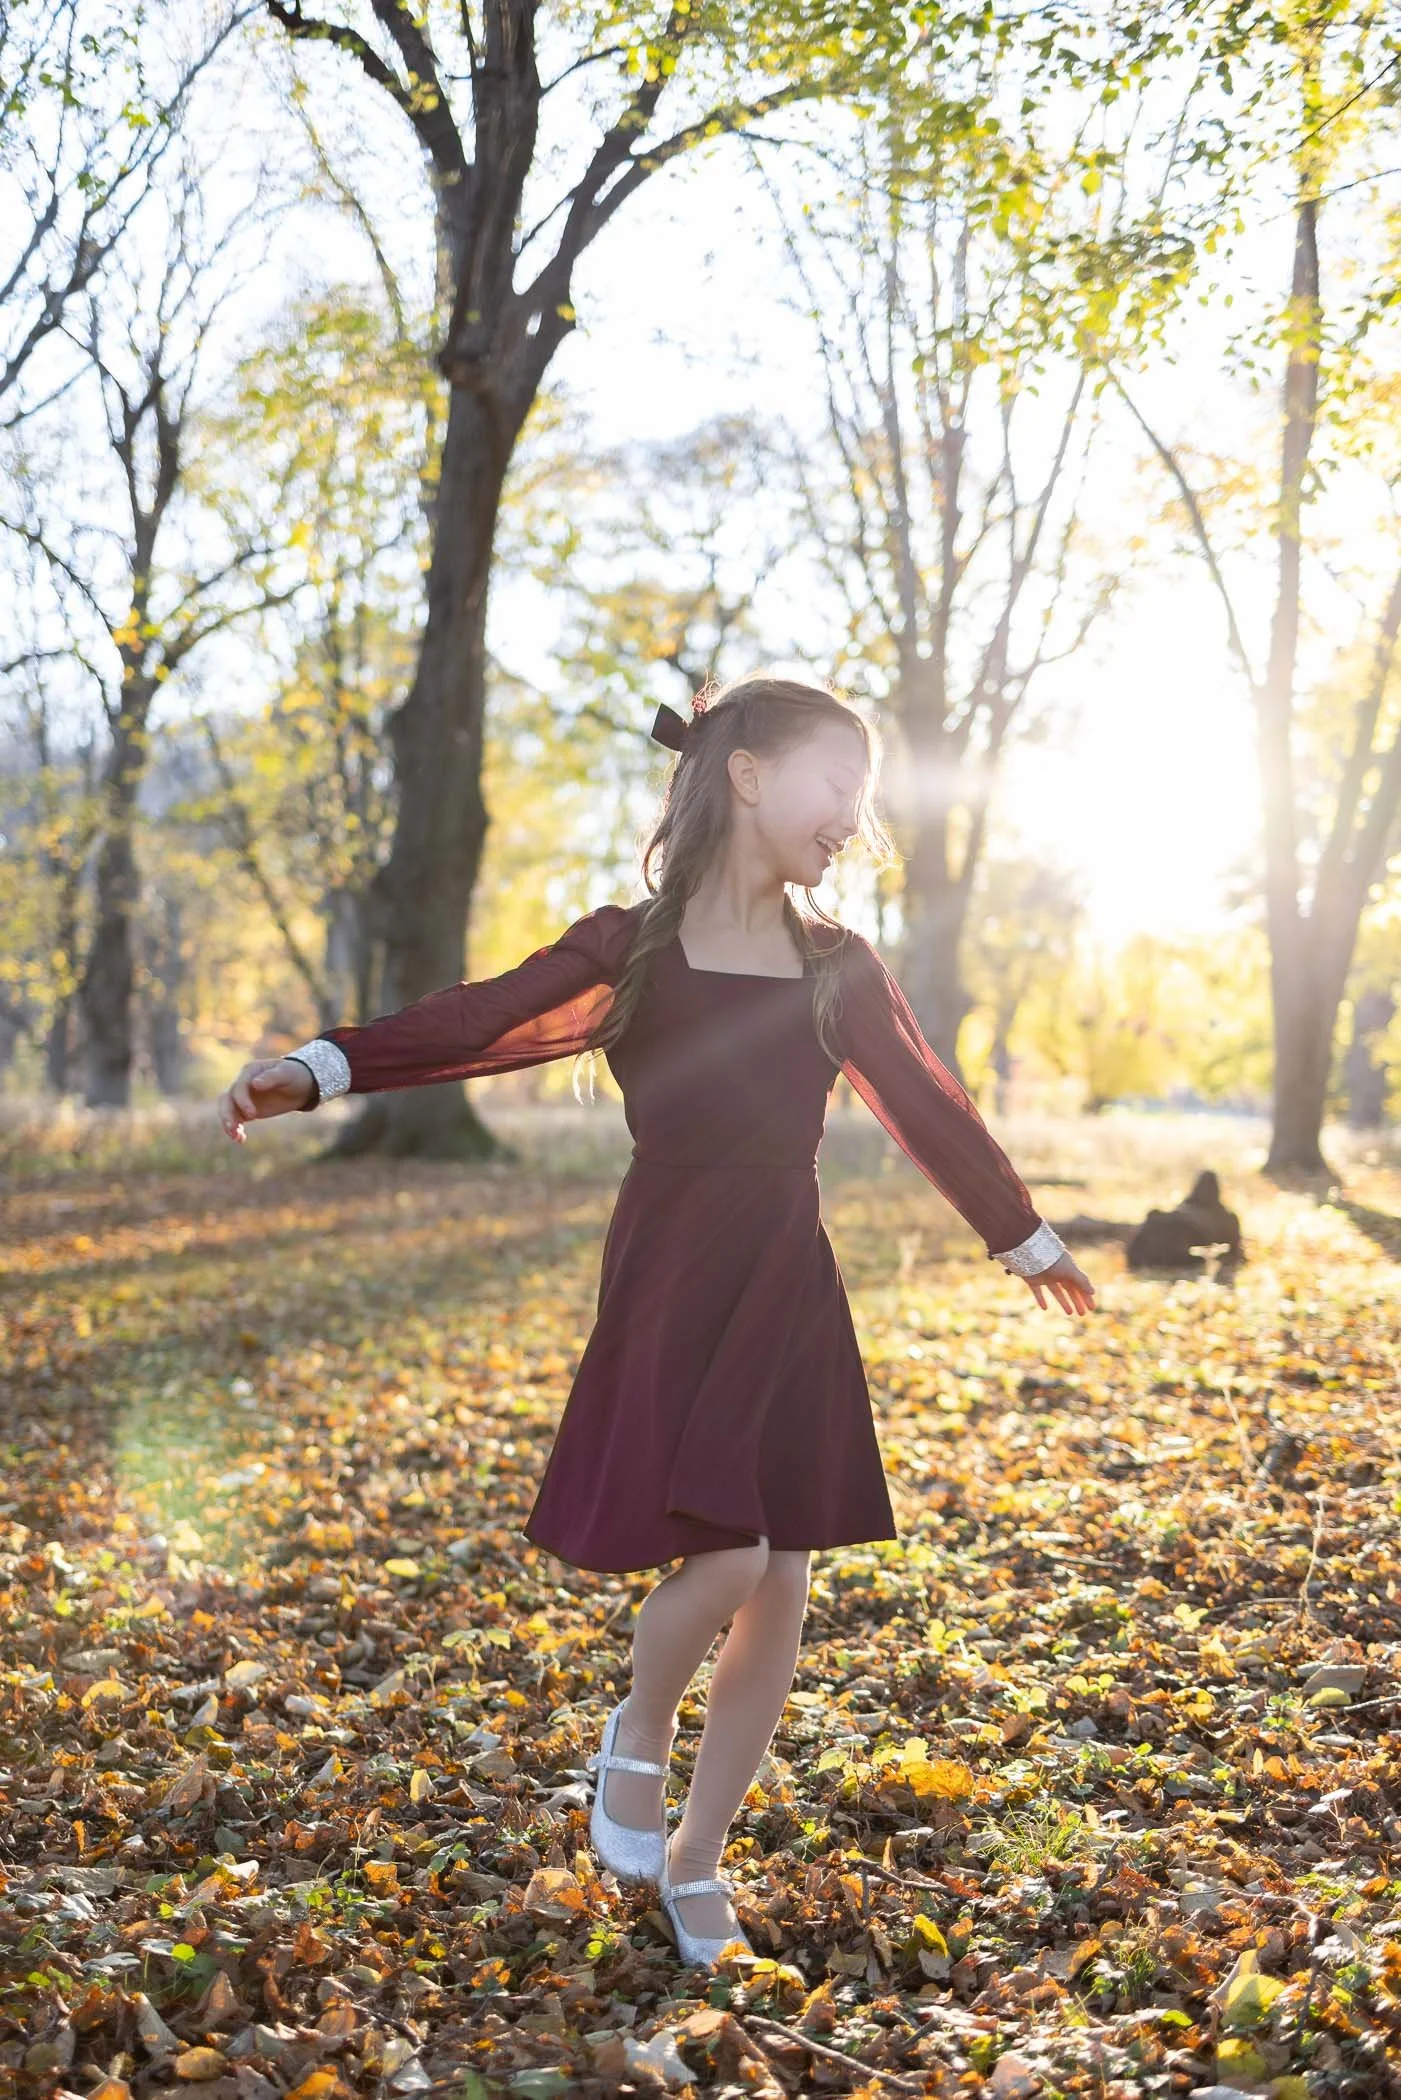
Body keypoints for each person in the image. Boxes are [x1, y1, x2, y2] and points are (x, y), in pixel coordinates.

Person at [217, 672, 1095, 1969]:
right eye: (834, 783)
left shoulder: (833, 964)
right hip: (677, 1268)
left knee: (783, 1577)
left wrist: (1021, 1233)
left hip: (786, 1277)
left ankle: (695, 1863)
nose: (853, 813)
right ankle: (633, 1737)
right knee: (732, 1549)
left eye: (864, 792)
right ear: (746, 775)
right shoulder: (632, 945)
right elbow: (482, 1017)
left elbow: (926, 1098)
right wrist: (325, 1067)